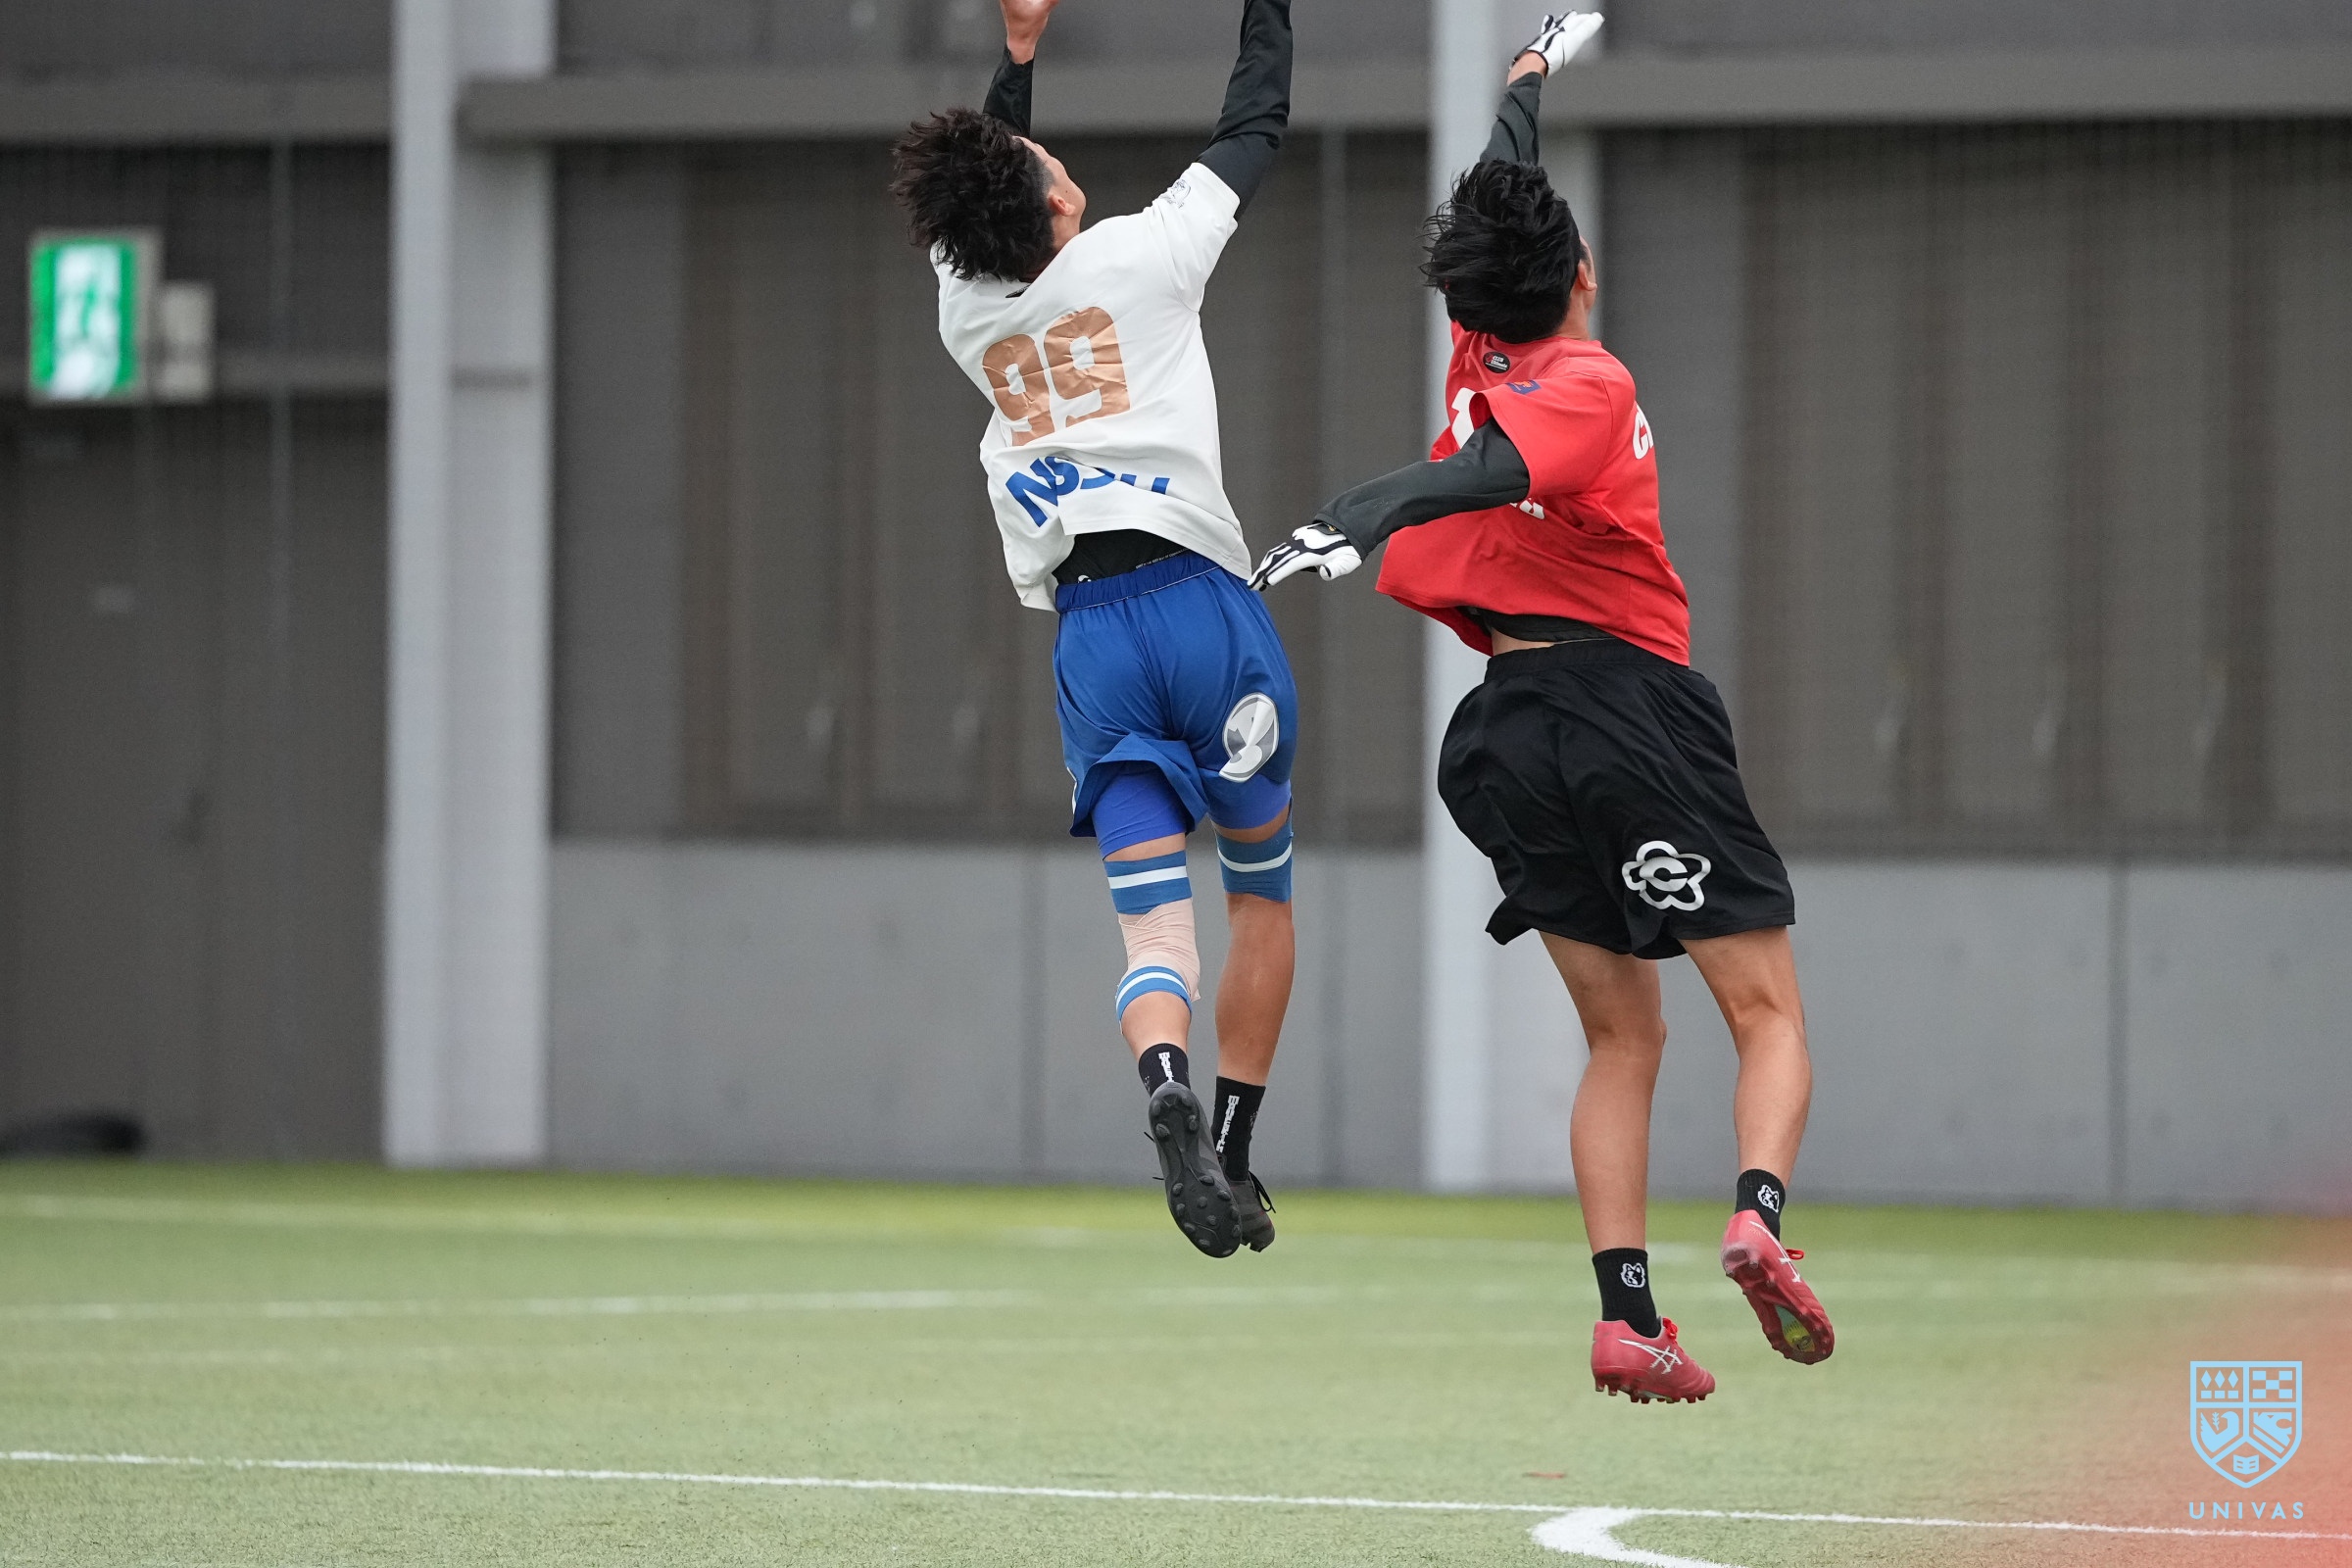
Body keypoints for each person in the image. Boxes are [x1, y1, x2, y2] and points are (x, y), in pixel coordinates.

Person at [1253, 13, 1834, 1401]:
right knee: (1766, 1013)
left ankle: (1627, 1318)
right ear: (1582, 274)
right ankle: (1758, 1218)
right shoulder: (1585, 382)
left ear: (1472, 297)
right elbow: (1490, 475)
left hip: (1507, 732)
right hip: (1627, 711)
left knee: (1623, 1034)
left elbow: (1497, 198)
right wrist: (1358, 511)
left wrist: (1527, 75)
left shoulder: (1479, 349)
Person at [891, 0, 1298, 1258]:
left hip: (1093, 636)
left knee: (1154, 930)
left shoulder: (968, 316)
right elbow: (1255, 120)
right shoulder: (1145, 255)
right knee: (1261, 896)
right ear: (1060, 203)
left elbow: (976, 213)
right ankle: (1233, 1146)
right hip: (1205, 607)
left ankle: (1162, 1078)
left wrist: (1016, 57)